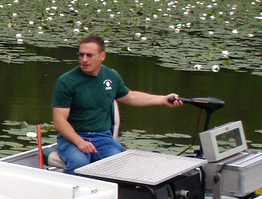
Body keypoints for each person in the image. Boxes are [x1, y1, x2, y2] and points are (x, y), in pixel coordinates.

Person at [52, 34, 182, 174]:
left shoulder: (111, 76)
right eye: (81, 55)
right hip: (73, 137)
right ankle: (72, 192)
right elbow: (59, 121)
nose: (84, 60)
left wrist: (163, 99)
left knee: (118, 162)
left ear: (102, 56)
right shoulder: (66, 81)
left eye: (89, 55)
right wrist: (80, 142)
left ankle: (113, 193)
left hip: (101, 137)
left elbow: (131, 97)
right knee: (79, 162)